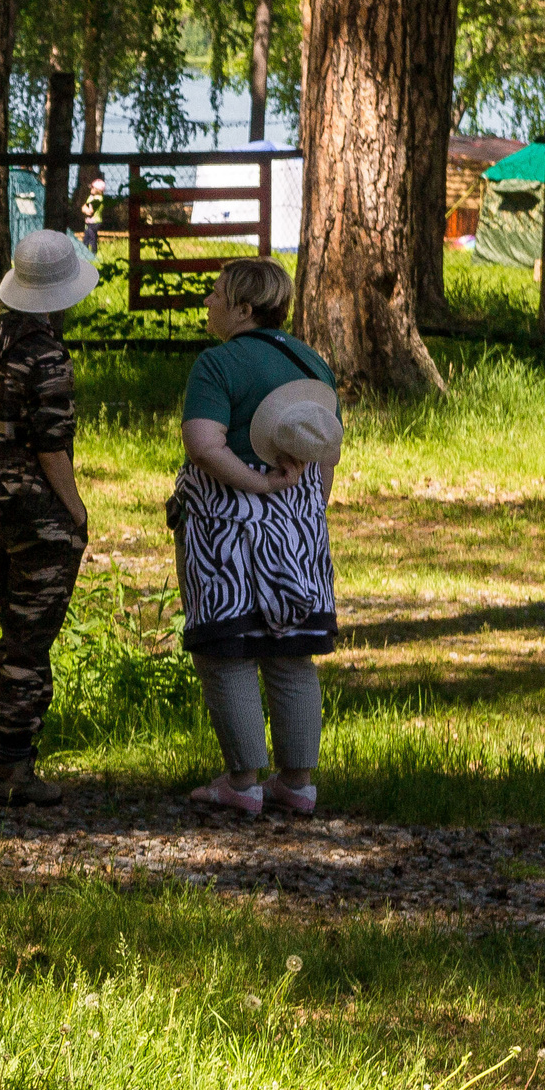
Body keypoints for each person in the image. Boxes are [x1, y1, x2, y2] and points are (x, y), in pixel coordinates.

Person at [171, 257, 339, 815]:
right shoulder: (311, 362)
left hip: (226, 533)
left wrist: (256, 486)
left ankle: (242, 782)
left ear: (243, 308)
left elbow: (203, 443)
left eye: (216, 295)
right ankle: (297, 783)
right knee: (292, 652)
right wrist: (302, 507)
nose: (208, 303)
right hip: (297, 530)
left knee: (231, 651)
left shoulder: (217, 364)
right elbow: (326, 448)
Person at [0, 229, 98, 807]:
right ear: (66, 293)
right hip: (36, 516)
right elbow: (51, 446)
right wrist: (77, 512)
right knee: (30, 645)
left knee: (15, 636)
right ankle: (13, 770)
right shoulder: (47, 355)